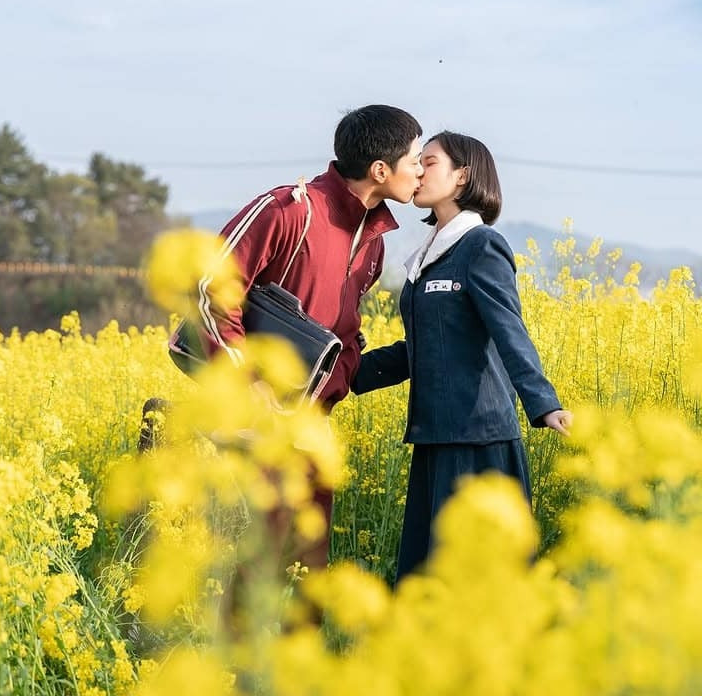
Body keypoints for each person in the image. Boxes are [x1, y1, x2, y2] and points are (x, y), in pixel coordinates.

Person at [168, 104, 424, 574]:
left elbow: (345, 328)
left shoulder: (375, 242)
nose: (421, 170)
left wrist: (338, 380)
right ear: (380, 170)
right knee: (251, 568)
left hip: (309, 429)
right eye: (415, 159)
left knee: (305, 572)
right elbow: (208, 288)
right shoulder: (288, 209)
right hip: (250, 423)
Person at [351, 130, 572, 584]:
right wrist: (346, 372)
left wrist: (544, 402)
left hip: (479, 439)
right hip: (434, 438)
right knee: (428, 579)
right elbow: (424, 347)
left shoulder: (480, 245)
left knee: (482, 581)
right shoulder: (426, 256)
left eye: (429, 162)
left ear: (462, 176)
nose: (417, 171)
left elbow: (509, 330)